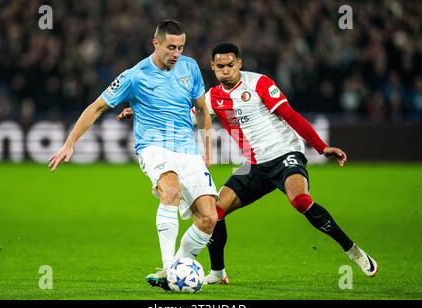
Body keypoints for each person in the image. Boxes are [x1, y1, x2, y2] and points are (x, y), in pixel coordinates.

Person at [118, 42, 379, 285]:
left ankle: (352, 250)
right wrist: (140, 112)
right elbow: (182, 116)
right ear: (213, 67)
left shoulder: (260, 84)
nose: (225, 70)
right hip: (253, 164)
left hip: (284, 155)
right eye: (220, 66)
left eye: (230, 65)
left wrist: (322, 147)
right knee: (214, 212)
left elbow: (291, 116)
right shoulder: (212, 97)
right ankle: (218, 272)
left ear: (239, 63)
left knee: (300, 200)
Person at [48, 20, 218, 291]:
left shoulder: (190, 67)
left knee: (209, 218)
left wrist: (207, 150)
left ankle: (178, 265)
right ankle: (168, 266)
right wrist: (70, 142)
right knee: (170, 190)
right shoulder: (135, 76)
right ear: (156, 43)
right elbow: (97, 107)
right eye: (171, 47)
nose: (177, 53)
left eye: (181, 47)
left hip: (187, 149)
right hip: (153, 147)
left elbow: (201, 109)